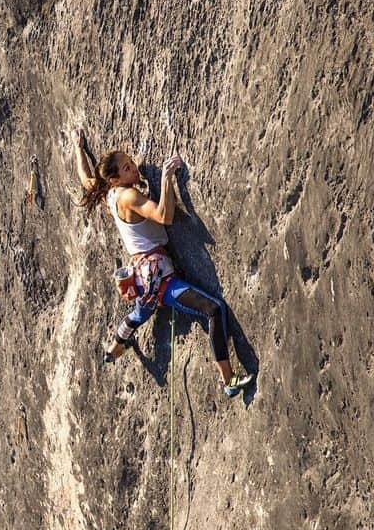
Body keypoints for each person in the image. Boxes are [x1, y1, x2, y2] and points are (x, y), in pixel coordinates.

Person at [73, 130, 252, 396]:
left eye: (131, 163)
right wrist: (167, 178)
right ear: (115, 179)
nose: (134, 168)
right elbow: (163, 216)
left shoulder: (109, 195)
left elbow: (87, 180)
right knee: (214, 309)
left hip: (144, 278)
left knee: (140, 313)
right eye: (126, 168)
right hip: (159, 279)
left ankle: (114, 348)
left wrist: (79, 149)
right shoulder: (127, 197)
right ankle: (228, 381)